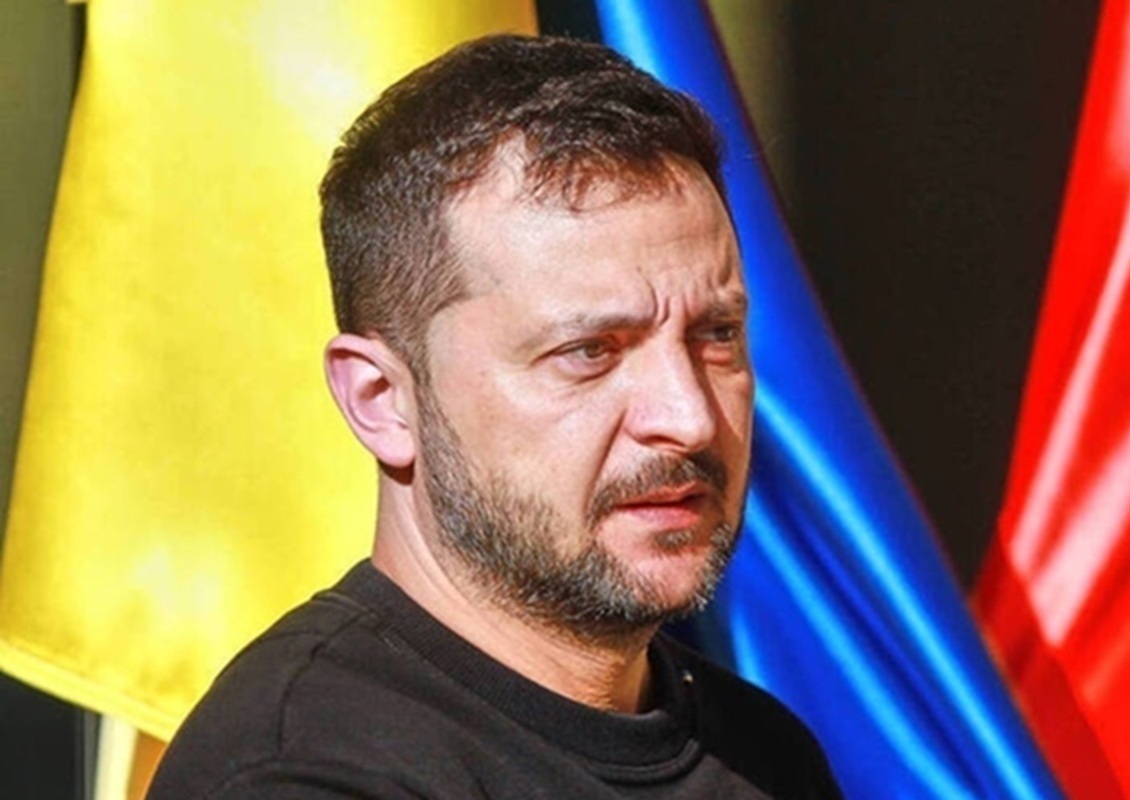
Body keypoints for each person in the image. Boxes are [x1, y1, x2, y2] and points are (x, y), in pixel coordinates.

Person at [148, 34, 843, 799]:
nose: (689, 419)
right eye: (589, 351)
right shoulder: (304, 775)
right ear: (382, 401)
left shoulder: (765, 755)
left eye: (716, 335)